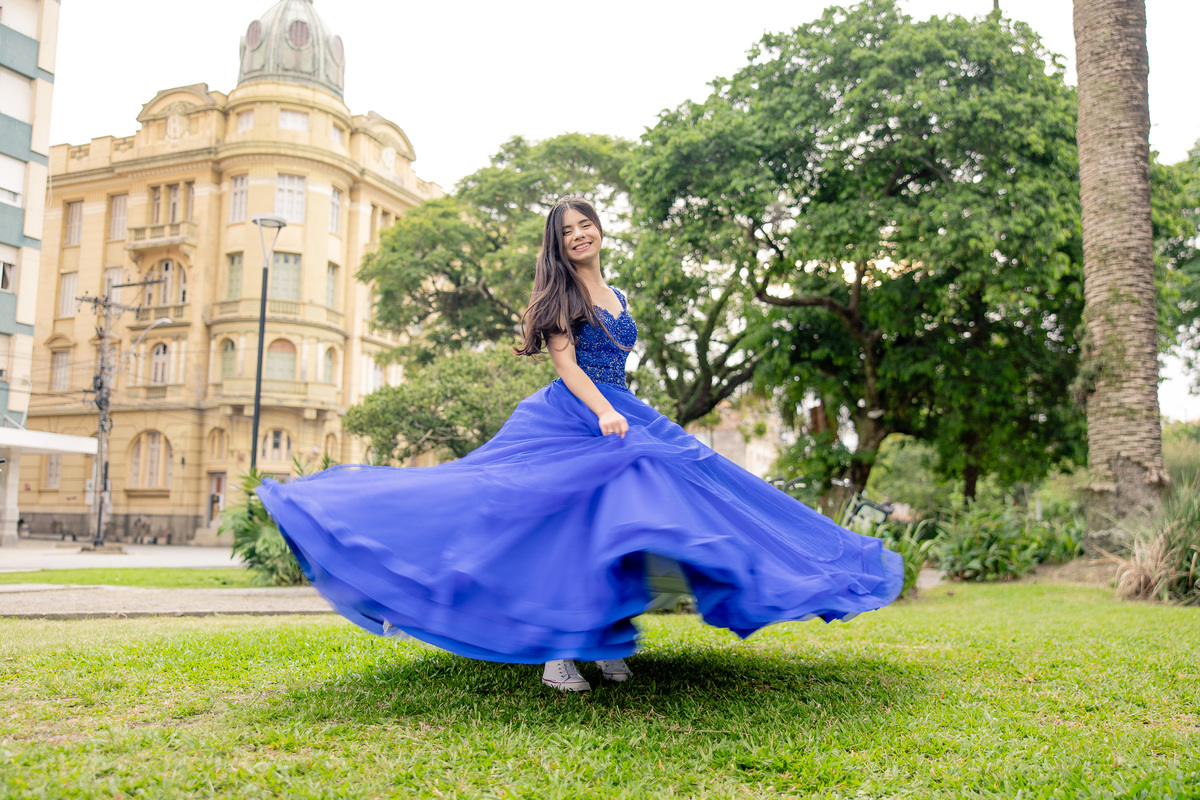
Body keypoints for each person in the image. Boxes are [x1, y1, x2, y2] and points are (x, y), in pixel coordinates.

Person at [256, 196, 904, 693]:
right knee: (558, 519)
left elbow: (615, 360)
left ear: (598, 229)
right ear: (558, 245)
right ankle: (559, 650)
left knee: (649, 503)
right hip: (576, 412)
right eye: (567, 232)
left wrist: (619, 410)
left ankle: (601, 638)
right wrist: (603, 414)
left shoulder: (617, 292)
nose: (579, 235)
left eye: (585, 224)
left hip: (620, 406)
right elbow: (567, 365)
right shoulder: (560, 292)